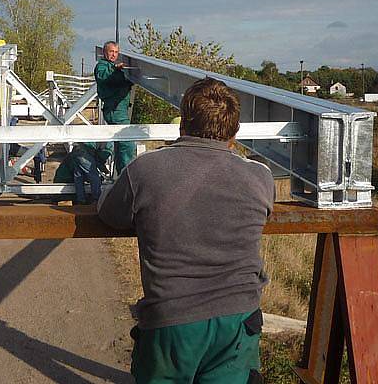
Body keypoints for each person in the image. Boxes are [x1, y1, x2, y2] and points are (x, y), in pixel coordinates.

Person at [97, 77, 275, 384]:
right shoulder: (260, 176)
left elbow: (110, 214)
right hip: (238, 319)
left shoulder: (145, 170)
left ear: (182, 123)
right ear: (234, 132)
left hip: (171, 321)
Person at [94, 41, 135, 173]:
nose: (113, 54)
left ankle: (121, 173)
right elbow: (104, 76)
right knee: (126, 142)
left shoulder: (114, 67)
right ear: (104, 52)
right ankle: (127, 173)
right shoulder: (103, 66)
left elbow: (121, 81)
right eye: (111, 51)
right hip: (114, 109)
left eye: (116, 52)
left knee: (119, 143)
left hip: (119, 108)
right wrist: (115, 69)